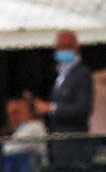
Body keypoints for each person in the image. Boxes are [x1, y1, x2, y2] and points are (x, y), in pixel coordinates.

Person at [28, 30, 92, 163]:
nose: (63, 51)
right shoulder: (60, 74)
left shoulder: (82, 74)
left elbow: (83, 108)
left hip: (73, 147)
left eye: (67, 46)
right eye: (60, 47)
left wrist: (52, 108)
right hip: (58, 146)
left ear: (77, 47)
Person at [0, 98, 47, 172]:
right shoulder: (20, 129)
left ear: (27, 112)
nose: (12, 118)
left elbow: (7, 149)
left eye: (16, 113)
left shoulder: (35, 126)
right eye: (9, 114)